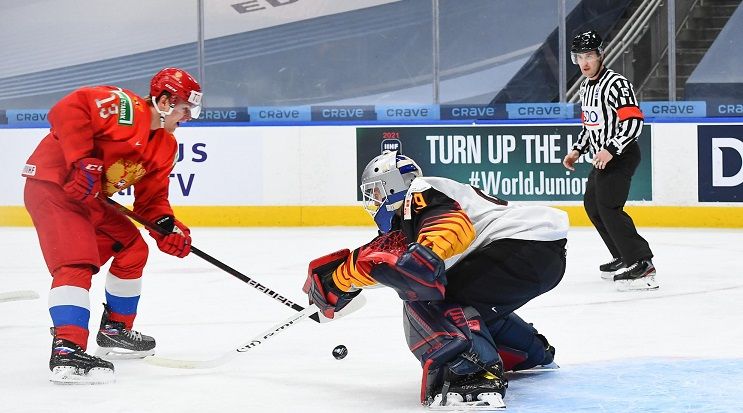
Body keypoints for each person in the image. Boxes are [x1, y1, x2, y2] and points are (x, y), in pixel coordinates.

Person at [302, 151, 568, 409]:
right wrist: (339, 281)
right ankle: (526, 353)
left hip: (520, 248)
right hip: (541, 254)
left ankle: (472, 375)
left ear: (394, 186)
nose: (373, 201)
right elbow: (386, 258)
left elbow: (451, 226)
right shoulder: (414, 216)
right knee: (459, 299)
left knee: (427, 296)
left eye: (376, 192)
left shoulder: (420, 191)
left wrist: (423, 259)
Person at [22, 67, 202, 384]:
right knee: (76, 263)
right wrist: (81, 159)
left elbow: (152, 200)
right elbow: (67, 109)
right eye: (185, 108)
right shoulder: (125, 108)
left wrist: (166, 227)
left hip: (90, 200)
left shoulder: (165, 147)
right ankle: (67, 349)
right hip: (54, 187)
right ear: (164, 101)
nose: (188, 117)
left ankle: (115, 330)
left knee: (133, 249)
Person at [562, 30, 658, 292]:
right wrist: (577, 150)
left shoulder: (617, 84)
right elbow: (590, 127)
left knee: (608, 206)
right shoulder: (585, 87)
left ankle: (642, 263)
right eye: (579, 57)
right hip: (602, 158)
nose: (584, 62)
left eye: (589, 56)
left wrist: (611, 149)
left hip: (621, 155)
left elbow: (634, 122)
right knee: (592, 205)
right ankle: (624, 256)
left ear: (600, 55)